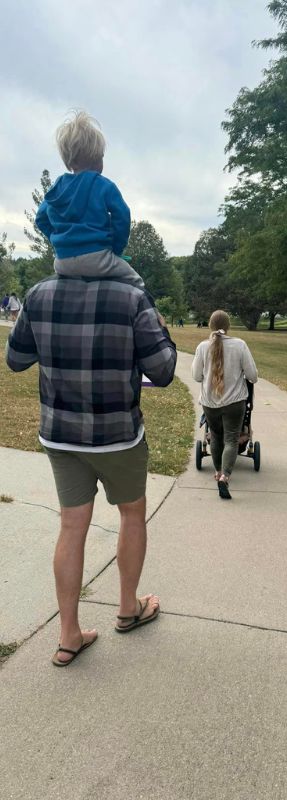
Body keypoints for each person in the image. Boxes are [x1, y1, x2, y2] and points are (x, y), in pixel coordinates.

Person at [7, 211, 176, 667]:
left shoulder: (38, 294)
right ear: (110, 243)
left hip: (61, 435)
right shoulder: (132, 296)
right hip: (119, 435)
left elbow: (16, 360)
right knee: (132, 516)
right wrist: (159, 325)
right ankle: (128, 608)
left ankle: (68, 635)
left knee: (71, 526)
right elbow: (162, 371)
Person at [34, 111, 143, 292]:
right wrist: (115, 248)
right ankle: (155, 314)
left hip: (62, 262)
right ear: (97, 158)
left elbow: (41, 218)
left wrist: (59, 240)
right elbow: (122, 215)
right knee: (135, 281)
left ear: (68, 160)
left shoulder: (57, 188)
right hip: (97, 257)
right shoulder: (103, 185)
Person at [191, 310, 258, 500]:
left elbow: (196, 376)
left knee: (215, 435)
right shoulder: (240, 345)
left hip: (210, 402)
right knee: (231, 438)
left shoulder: (203, 347)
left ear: (210, 325)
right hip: (235, 402)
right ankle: (225, 477)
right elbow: (253, 376)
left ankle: (217, 470)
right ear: (228, 326)